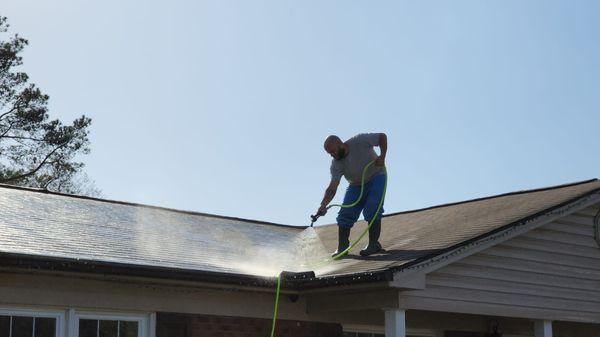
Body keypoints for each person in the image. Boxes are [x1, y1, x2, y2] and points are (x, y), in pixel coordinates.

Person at [316, 133, 387, 257]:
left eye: (332, 151)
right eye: (329, 153)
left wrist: (382, 156)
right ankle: (342, 248)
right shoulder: (336, 164)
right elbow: (333, 186)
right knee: (345, 213)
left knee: (372, 208)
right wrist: (323, 205)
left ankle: (374, 244)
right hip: (355, 185)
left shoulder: (360, 141)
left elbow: (382, 137)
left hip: (376, 176)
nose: (332, 155)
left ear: (340, 144)